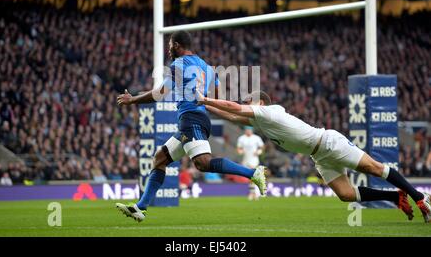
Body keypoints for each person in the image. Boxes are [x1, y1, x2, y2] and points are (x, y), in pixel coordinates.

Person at [198, 90, 431, 223]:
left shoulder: (268, 111)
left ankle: (419, 195)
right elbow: (232, 116)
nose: (245, 104)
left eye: (248, 101)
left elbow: (235, 109)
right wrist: (205, 106)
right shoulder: (261, 121)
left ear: (260, 103)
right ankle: (394, 197)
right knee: (346, 194)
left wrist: (206, 99)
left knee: (374, 168)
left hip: (329, 142)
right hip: (319, 155)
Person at [115, 31, 267, 222]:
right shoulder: (207, 67)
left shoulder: (178, 65)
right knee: (160, 158)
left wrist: (133, 100)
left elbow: (160, 93)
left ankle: (253, 173)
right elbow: (217, 97)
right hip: (198, 118)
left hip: (191, 118)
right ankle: (140, 207)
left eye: (171, 44)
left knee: (203, 163)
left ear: (177, 45)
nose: (169, 49)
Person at [236, 126, 264, 200]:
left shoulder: (256, 138)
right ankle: (253, 192)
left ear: (252, 130)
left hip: (254, 159)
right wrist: (240, 151)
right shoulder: (241, 138)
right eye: (247, 130)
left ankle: (253, 193)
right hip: (245, 160)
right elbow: (239, 148)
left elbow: (262, 147)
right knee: (249, 177)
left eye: (249, 130)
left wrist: (258, 152)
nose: (248, 131)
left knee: (253, 176)